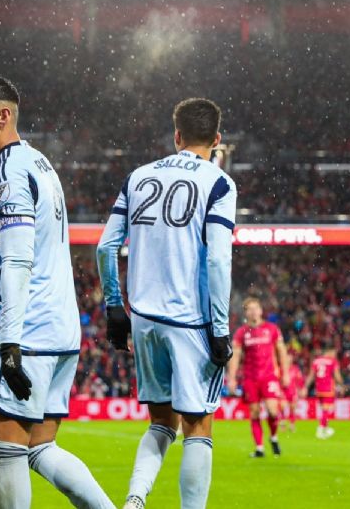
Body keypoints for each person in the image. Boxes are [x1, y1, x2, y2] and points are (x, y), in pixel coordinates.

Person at [0, 75, 113, 509]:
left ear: (3, 116)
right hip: (62, 329)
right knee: (40, 449)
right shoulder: (39, 163)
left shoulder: (8, 172)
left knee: (4, 455)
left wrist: (9, 340)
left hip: (26, 332)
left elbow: (19, 257)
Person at [97, 97, 236, 509]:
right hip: (190, 320)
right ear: (217, 139)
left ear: (176, 136)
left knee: (160, 422)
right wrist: (221, 327)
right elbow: (217, 257)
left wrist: (113, 307)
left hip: (143, 318)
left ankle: (136, 499)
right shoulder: (219, 182)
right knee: (198, 424)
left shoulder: (138, 177)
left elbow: (106, 247)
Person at [226, 297, 289, 458]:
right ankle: (259, 448)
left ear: (261, 311)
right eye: (250, 309)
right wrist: (231, 378)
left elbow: (281, 351)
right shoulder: (241, 333)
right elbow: (235, 356)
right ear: (245, 312)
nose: (253, 311)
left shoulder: (272, 329)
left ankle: (273, 437)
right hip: (250, 378)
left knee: (273, 411)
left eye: (256, 308)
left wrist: (285, 372)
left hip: (269, 377)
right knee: (254, 412)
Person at [303, 346, 342, 439]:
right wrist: (342, 384)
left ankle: (325, 427)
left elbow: (311, 375)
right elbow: (337, 376)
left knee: (324, 409)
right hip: (328, 388)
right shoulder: (332, 361)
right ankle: (320, 429)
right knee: (326, 409)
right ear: (330, 352)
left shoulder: (316, 361)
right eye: (334, 354)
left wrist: (305, 387)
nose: (335, 356)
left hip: (319, 388)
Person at [280, 353, 304, 433]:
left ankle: (292, 424)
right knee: (282, 407)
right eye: (287, 358)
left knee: (292, 408)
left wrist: (301, 388)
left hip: (293, 392)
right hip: (283, 392)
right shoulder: (281, 369)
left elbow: (300, 380)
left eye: (290, 359)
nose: (288, 360)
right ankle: (283, 423)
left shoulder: (295, 369)